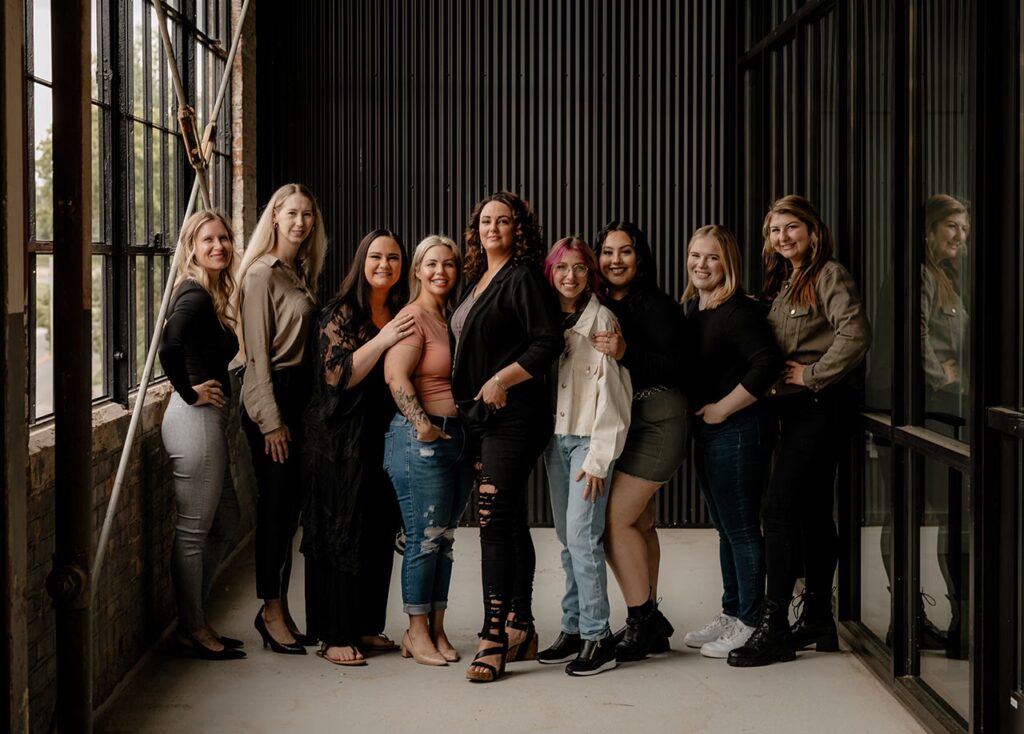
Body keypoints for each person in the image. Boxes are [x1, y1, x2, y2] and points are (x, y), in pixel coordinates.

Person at [728, 195, 871, 667]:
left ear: (812, 231)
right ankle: (818, 619)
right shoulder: (787, 281)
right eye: (775, 230)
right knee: (812, 512)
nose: (783, 237)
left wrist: (811, 375)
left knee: (779, 510)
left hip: (822, 405)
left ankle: (775, 629)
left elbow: (855, 333)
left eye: (791, 227)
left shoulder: (828, 274)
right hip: (798, 410)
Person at [451, 191, 563, 683]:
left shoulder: (522, 277)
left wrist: (501, 378)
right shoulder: (477, 280)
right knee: (510, 517)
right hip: (482, 417)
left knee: (492, 519)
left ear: (520, 229)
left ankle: (492, 636)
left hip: (515, 415)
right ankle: (522, 626)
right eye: (485, 221)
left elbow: (548, 341)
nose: (492, 228)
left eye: (503, 220)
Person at [300, 229, 413, 666]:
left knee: (377, 531)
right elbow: (338, 376)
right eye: (376, 257)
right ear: (361, 262)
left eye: (394, 258)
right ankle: (335, 635)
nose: (385, 265)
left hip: (381, 436)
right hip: (338, 440)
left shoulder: (401, 310)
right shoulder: (340, 313)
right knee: (341, 532)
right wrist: (383, 340)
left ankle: (366, 625)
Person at [591, 221, 690, 663]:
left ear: (640, 257)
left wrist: (626, 352)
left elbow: (680, 368)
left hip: (660, 419)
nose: (615, 260)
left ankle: (640, 618)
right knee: (642, 523)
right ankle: (652, 622)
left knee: (614, 522)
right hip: (627, 422)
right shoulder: (599, 304)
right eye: (608, 252)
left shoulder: (658, 306)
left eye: (625, 251)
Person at [680, 225, 781, 659]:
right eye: (695, 255)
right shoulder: (695, 308)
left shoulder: (738, 311)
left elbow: (767, 364)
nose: (701, 265)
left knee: (741, 529)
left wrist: (723, 408)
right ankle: (732, 611)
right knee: (725, 529)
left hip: (739, 431)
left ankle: (751, 621)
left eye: (712, 257)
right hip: (710, 432)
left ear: (729, 264)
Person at [537, 236, 633, 676]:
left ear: (590, 274)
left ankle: (598, 636)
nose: (570, 276)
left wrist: (599, 458)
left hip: (588, 442)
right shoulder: (545, 318)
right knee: (566, 539)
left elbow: (616, 396)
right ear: (550, 272)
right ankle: (573, 627)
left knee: (582, 537)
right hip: (555, 442)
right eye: (562, 267)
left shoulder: (602, 320)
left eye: (579, 268)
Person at [236, 183, 325, 655]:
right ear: (274, 216)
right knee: (274, 509)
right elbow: (255, 356)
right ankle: (270, 611)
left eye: (307, 215)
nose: (300, 222)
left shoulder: (297, 270)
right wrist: (270, 420)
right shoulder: (261, 275)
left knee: (289, 511)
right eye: (291, 213)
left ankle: (281, 608)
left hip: (298, 396)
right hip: (272, 397)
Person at [383, 235, 473, 666]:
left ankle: (437, 628)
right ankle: (415, 631)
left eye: (449, 264)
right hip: (421, 441)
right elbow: (395, 375)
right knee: (424, 538)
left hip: (456, 439)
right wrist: (422, 425)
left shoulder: (451, 318)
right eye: (432, 264)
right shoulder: (412, 316)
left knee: (445, 539)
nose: (441, 271)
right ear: (417, 270)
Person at [159, 210, 245, 661]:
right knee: (193, 533)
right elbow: (168, 344)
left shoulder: (210, 292)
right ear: (191, 246)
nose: (218, 246)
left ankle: (195, 617)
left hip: (205, 422)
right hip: (194, 421)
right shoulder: (193, 292)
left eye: (224, 238)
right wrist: (188, 392)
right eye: (208, 239)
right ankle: (193, 628)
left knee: (226, 521)